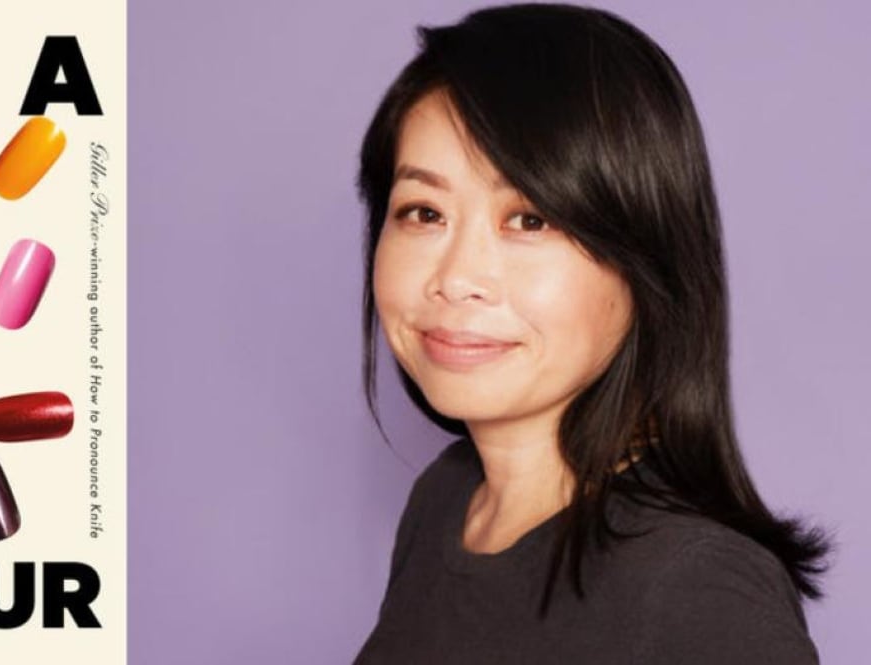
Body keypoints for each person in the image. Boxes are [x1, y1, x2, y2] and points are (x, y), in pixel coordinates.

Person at [352, 4, 832, 663]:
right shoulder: (446, 499)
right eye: (424, 211)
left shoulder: (698, 588)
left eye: (530, 219)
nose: (456, 277)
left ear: (645, 260)